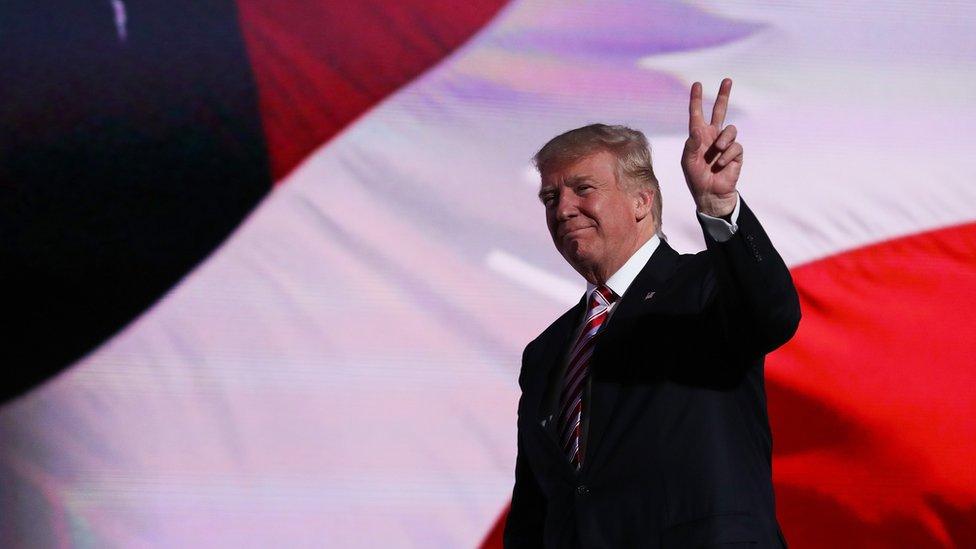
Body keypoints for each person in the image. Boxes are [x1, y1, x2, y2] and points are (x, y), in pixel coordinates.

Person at [503, 79, 801, 548]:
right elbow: (535, 508)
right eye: (550, 198)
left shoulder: (707, 286)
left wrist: (718, 207)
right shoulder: (546, 351)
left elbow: (774, 315)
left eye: (583, 189)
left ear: (642, 201)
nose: (563, 210)